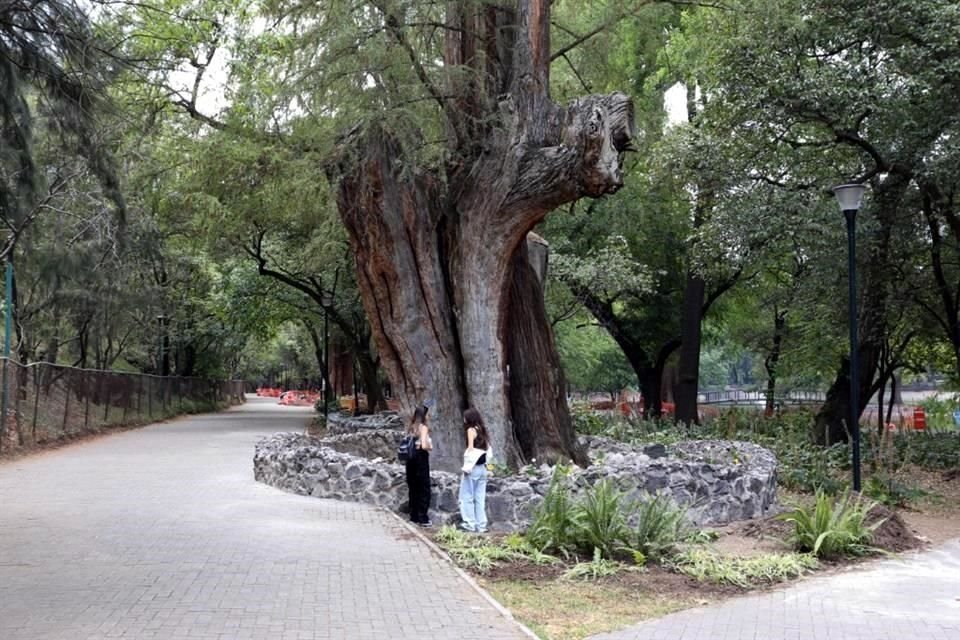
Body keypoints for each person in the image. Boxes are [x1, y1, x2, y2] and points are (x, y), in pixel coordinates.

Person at [459, 407, 490, 533]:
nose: (464, 419)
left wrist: (467, 465)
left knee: (466, 496)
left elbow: (470, 449)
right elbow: (488, 450)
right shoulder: (483, 430)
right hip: (483, 468)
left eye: (465, 416)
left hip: (473, 468)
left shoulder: (471, 430)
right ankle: (481, 525)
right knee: (479, 498)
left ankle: (469, 524)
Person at [405, 405, 433, 527]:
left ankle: (414, 515)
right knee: (424, 487)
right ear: (424, 415)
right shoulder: (423, 427)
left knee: (413, 487)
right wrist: (430, 447)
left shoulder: (411, 427)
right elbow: (423, 445)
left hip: (410, 459)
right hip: (421, 458)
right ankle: (423, 518)